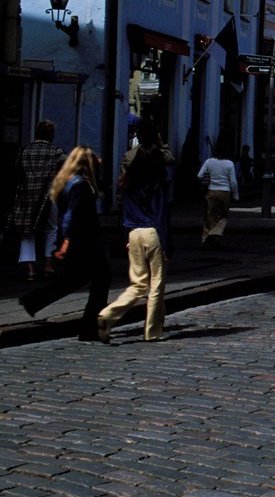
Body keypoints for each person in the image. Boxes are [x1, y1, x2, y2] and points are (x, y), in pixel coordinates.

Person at [20, 147, 108, 342]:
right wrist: (66, 242)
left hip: (80, 241)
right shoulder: (80, 185)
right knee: (101, 281)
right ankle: (88, 328)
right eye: (94, 158)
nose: (98, 160)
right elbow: (71, 216)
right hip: (86, 242)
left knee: (75, 280)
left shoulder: (67, 182)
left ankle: (33, 301)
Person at [99, 134, 173, 342]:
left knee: (137, 284)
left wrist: (126, 235)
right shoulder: (155, 184)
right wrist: (168, 245)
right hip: (152, 232)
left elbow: (124, 212)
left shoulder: (127, 183)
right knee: (156, 284)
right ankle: (152, 331)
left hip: (133, 232)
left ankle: (108, 314)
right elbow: (161, 215)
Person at [7, 119, 65, 281]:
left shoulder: (24, 151)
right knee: (51, 229)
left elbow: (15, 171)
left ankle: (30, 269)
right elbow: (65, 170)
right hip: (49, 196)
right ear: (51, 135)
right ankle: (48, 265)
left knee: (27, 232)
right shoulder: (56, 152)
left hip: (27, 195)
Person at [197, 147, 239, 247]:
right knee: (223, 215)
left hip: (211, 191)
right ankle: (216, 233)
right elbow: (233, 181)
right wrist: (236, 194)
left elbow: (199, 175)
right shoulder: (229, 163)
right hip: (225, 192)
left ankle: (207, 236)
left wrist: (202, 186)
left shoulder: (209, 162)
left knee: (209, 215)